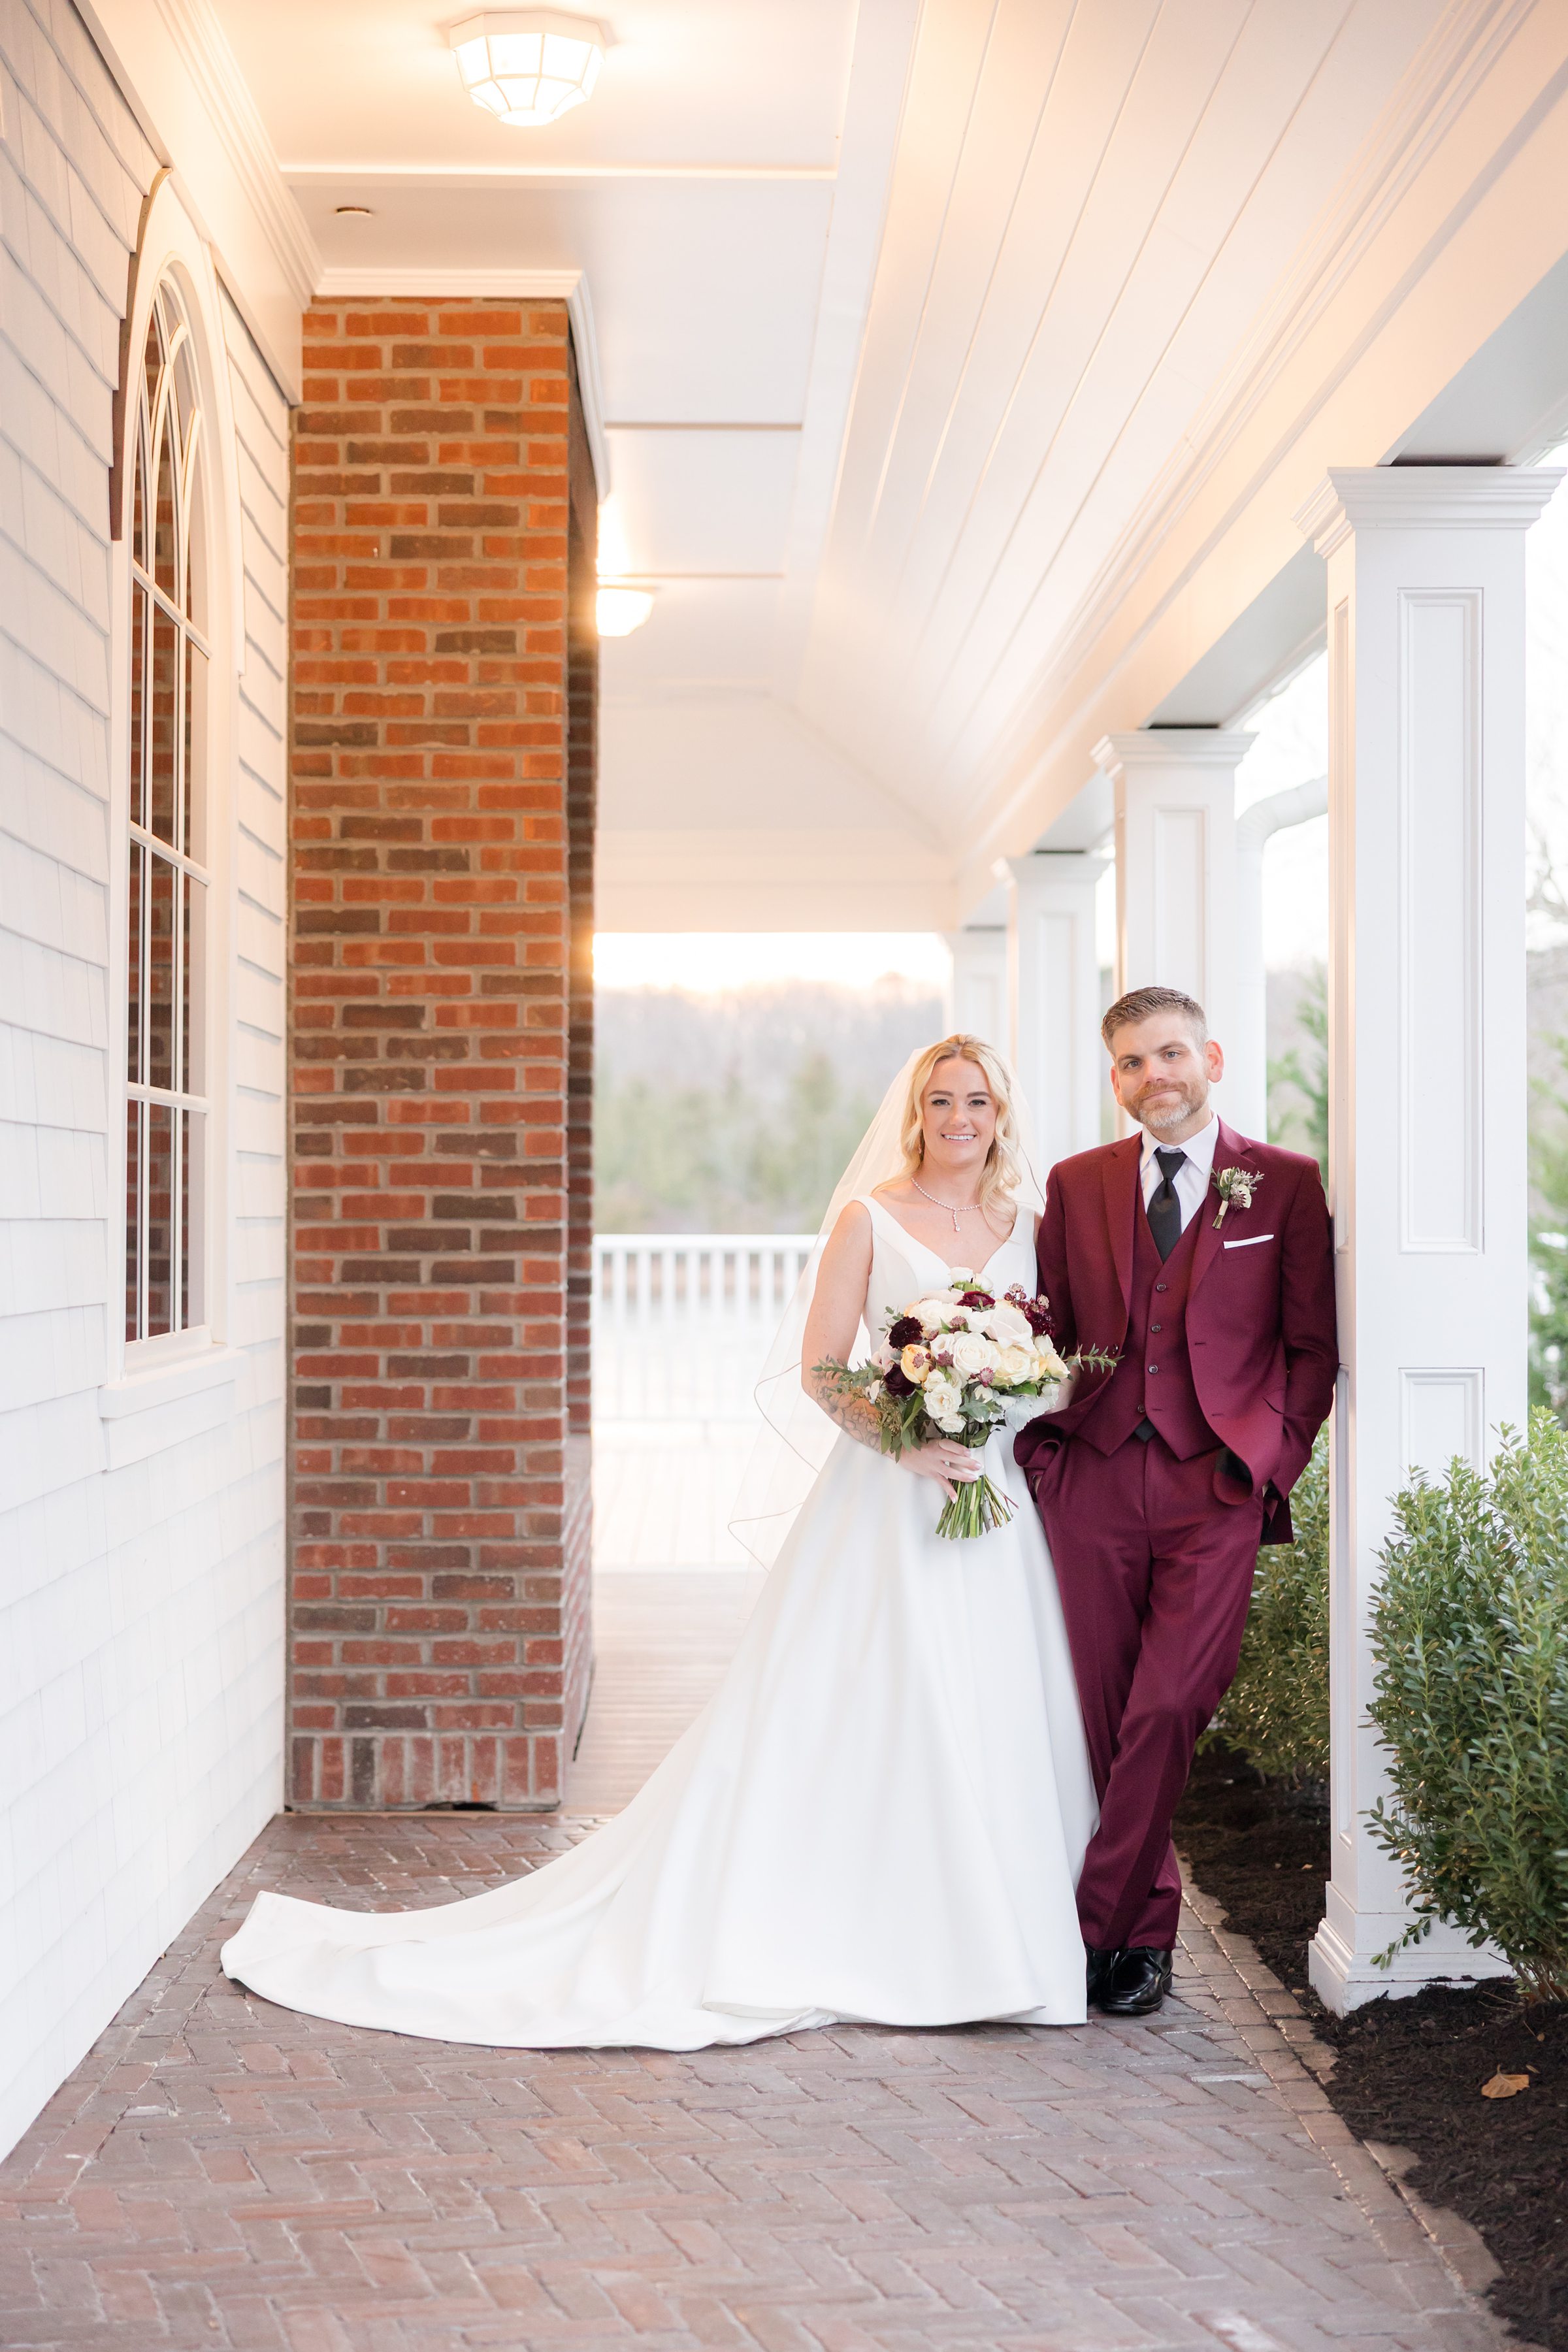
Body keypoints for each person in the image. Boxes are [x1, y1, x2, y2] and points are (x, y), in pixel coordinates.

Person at [221, 1037, 1097, 2048]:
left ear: (1000, 1113)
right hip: (891, 1499)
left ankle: (996, 1932)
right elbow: (822, 1370)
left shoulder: (1025, 1223)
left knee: (993, 1697)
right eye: (941, 1101)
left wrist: (1007, 1402)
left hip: (991, 1495)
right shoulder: (870, 1217)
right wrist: (906, 1443)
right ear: (917, 1113)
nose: (959, 1120)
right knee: (876, 1699)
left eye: (976, 1102)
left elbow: (1061, 1361)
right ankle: (875, 1928)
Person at [1015, 985, 1337, 2019]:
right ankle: (1143, 1938)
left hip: (1218, 1486)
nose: (1154, 1077)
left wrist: (1267, 1468)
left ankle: (1090, 1927)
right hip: (1095, 1478)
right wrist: (1039, 1449)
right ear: (1114, 1081)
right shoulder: (1076, 1184)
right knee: (1110, 1715)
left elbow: (1310, 1351)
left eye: (1170, 1055)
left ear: (1214, 1059)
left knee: (1169, 1708)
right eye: (1131, 1064)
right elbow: (1054, 1334)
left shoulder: (1282, 1185)